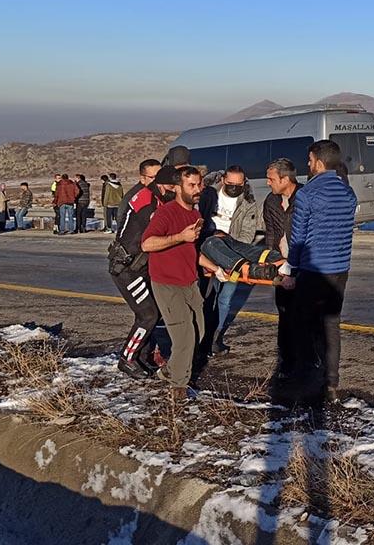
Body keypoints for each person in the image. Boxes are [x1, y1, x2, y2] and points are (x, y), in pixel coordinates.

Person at [280, 140, 357, 400]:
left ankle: (307, 381)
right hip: (340, 269)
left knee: (304, 326)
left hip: (313, 270)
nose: (308, 165)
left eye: (310, 161)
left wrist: (290, 269)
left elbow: (298, 237)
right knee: (331, 324)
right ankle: (331, 384)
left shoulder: (307, 195)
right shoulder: (348, 194)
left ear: (319, 162)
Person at [142, 167, 207, 401]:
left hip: (189, 281)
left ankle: (169, 370)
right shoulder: (166, 213)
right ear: (178, 187)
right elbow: (147, 244)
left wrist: (216, 267)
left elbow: (192, 249)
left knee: (199, 332)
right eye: (192, 185)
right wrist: (180, 236)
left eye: (199, 184)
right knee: (184, 337)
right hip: (167, 283)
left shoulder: (195, 214)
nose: (198, 189)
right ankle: (178, 388)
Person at [111, 165, 178, 378]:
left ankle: (141, 355)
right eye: (170, 187)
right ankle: (127, 358)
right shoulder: (147, 201)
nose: (174, 191)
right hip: (128, 268)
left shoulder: (154, 198)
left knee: (151, 312)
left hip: (138, 265)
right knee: (147, 314)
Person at [199, 165, 264, 355]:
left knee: (225, 298)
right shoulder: (208, 194)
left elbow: (247, 234)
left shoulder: (248, 203)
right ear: (222, 180)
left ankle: (215, 338)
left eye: (238, 184)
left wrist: (229, 251)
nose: (234, 187)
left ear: (244, 183)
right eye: (230, 184)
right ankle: (201, 336)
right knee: (205, 297)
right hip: (207, 250)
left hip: (233, 255)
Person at [264, 158, 301, 376]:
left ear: (285, 179)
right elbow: (270, 233)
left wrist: (296, 269)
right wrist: (270, 260)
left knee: (304, 314)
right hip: (280, 263)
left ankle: (306, 360)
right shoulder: (270, 201)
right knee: (284, 313)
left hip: (302, 265)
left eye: (271, 179)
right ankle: (286, 362)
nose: (268, 183)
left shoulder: (305, 198)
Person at [120, 160, 161, 230]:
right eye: (153, 177)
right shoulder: (137, 198)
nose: (158, 180)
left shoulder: (161, 193)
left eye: (161, 176)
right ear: (143, 179)